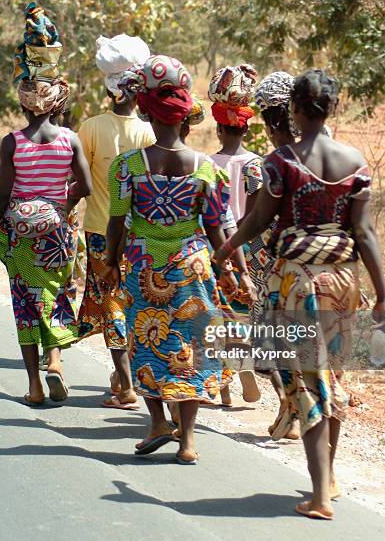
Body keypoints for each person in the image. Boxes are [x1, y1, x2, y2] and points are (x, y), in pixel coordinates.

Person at [215, 70, 385, 519]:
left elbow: (257, 221)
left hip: (296, 282)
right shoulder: (354, 162)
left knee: (309, 382)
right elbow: (365, 233)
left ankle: (321, 496)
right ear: (332, 108)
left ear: (293, 110)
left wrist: (228, 247)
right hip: (343, 281)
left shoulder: (281, 163)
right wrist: (383, 294)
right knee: (330, 375)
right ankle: (328, 475)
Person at [103, 55, 255, 465]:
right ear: (183, 117)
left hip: (142, 265)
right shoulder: (207, 169)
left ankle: (156, 422)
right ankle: (188, 441)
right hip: (193, 267)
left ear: (150, 117)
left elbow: (117, 221)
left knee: (147, 344)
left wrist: (110, 263)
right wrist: (234, 269)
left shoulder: (128, 166)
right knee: (189, 348)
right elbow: (220, 227)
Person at [0, 7, 92, 405]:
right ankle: (54, 361)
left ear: (24, 105)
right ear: (57, 104)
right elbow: (86, 186)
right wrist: (59, 204)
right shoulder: (69, 140)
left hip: (20, 235)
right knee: (56, 295)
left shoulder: (13, 142)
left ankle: (34, 387)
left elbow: (1, 194)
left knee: (25, 303)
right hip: (57, 233)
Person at [77, 34, 154, 409]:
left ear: (111, 91)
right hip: (139, 236)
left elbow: (80, 181)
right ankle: (130, 377)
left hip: (98, 233)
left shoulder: (90, 128)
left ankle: (126, 385)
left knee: (112, 305)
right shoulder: (149, 133)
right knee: (135, 302)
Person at [207, 64, 263, 407]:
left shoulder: (206, 162)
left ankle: (224, 387)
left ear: (218, 128)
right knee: (241, 315)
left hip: (216, 246)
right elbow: (256, 216)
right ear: (246, 127)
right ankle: (244, 371)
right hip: (250, 248)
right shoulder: (257, 164)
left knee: (216, 314)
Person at [252, 70, 302, 439]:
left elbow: (261, 218)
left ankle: (293, 407)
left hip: (283, 267)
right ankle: (296, 409)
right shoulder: (326, 145)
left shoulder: (278, 159)